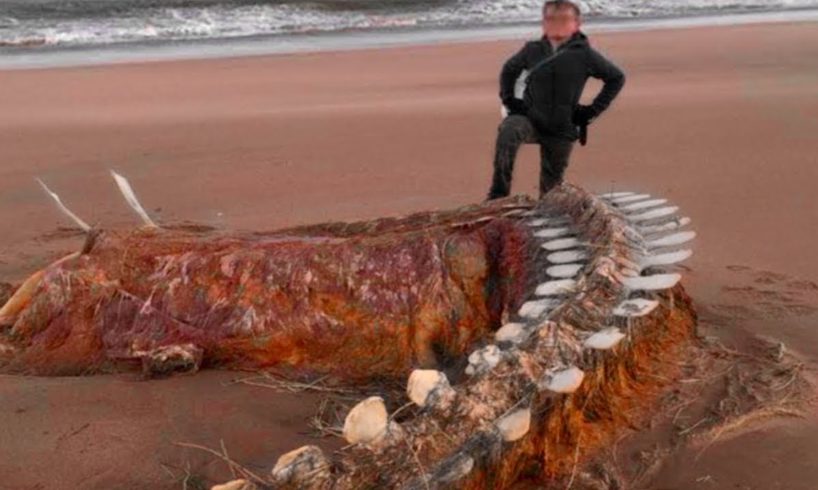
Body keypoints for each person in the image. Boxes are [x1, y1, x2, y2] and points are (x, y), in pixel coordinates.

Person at [486, 0, 626, 201]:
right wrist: (509, 100)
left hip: (562, 129)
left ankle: (545, 211)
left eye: (564, 19)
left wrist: (592, 110)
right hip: (530, 120)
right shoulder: (531, 50)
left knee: (551, 194)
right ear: (544, 23)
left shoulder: (585, 55)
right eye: (551, 19)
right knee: (509, 130)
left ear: (577, 24)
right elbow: (509, 70)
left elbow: (616, 78)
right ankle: (498, 195)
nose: (557, 24)